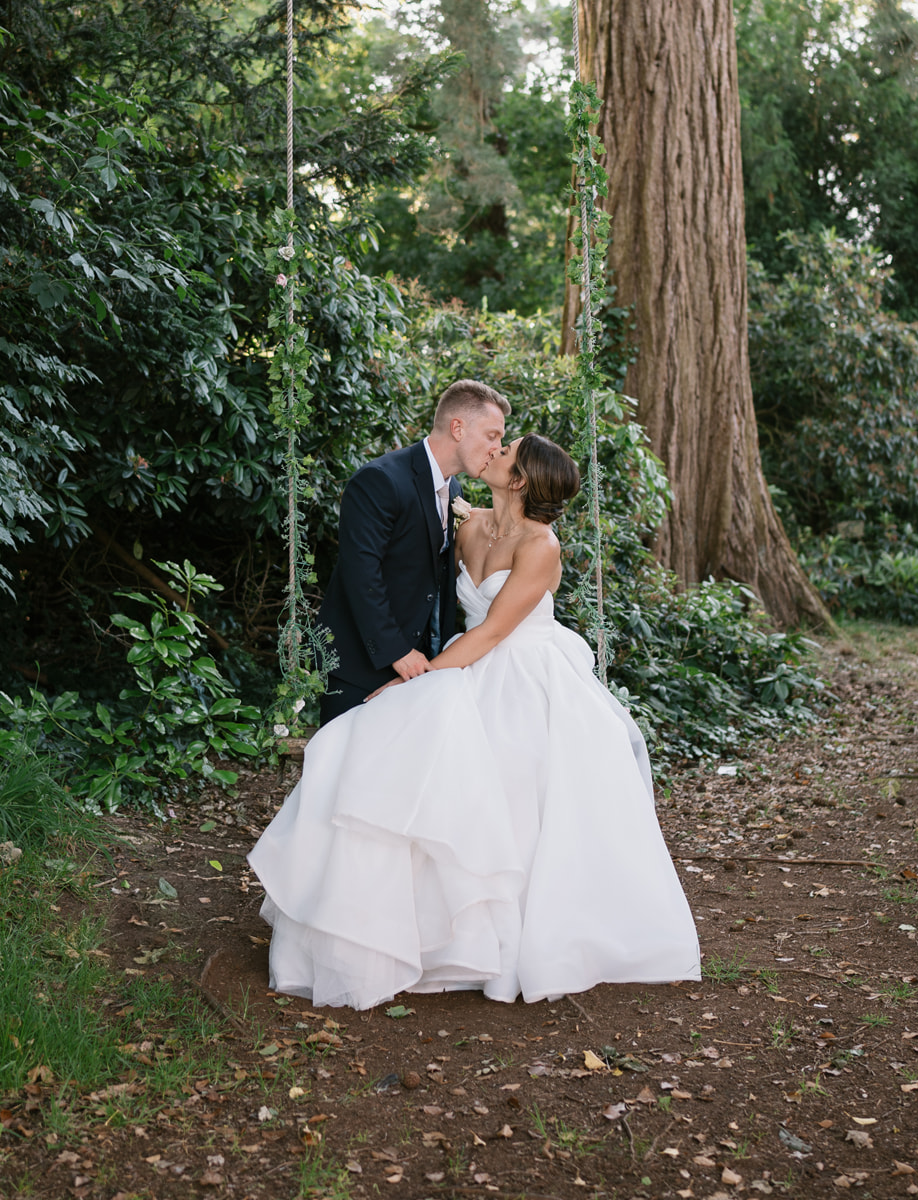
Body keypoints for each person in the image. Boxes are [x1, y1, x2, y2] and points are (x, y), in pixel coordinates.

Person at [248, 431, 701, 1008]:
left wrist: (419, 677)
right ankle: (414, 928)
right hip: (466, 663)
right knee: (398, 760)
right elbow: (438, 602)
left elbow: (490, 631)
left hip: (524, 675)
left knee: (514, 792)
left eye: (507, 451)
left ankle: (521, 935)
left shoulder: (542, 547)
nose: (497, 451)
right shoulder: (468, 525)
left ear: (521, 481)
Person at [315, 379, 510, 724]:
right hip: (364, 663)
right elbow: (360, 574)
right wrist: (398, 652)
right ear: (458, 428)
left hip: (424, 669)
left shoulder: (456, 490)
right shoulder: (381, 480)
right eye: (492, 435)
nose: (497, 448)